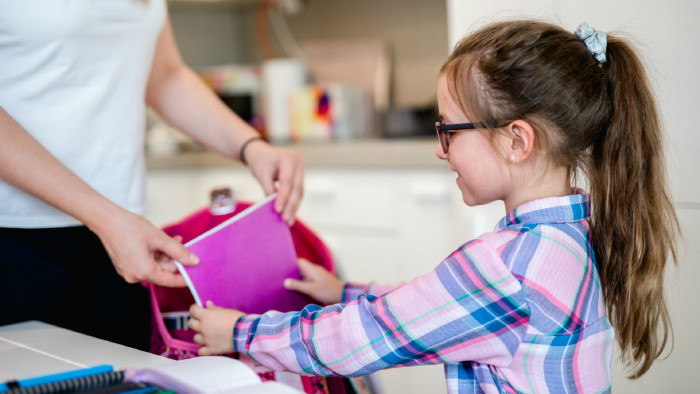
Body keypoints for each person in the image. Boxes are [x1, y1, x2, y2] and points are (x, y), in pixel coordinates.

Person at [188, 19, 680, 392]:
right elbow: (437, 303)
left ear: (517, 141)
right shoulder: (572, 235)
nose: (439, 148)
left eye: (448, 129)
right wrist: (345, 289)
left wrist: (241, 332)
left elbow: (362, 338)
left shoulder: (506, 268)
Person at [0, 0, 304, 351]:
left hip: (121, 240)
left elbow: (165, 76)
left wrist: (251, 146)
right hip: (15, 237)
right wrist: (105, 217)